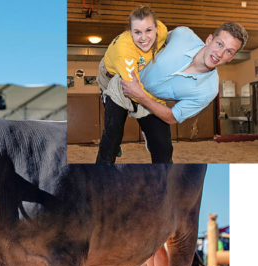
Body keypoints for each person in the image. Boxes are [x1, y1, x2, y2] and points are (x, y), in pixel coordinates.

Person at [116, 21, 248, 163]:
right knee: (110, 143)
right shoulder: (183, 35)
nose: (220, 53)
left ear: (232, 57)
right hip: (128, 81)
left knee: (164, 153)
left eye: (229, 51)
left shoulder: (209, 90)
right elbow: (150, 39)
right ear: (209, 40)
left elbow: (173, 117)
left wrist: (140, 96)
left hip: (150, 102)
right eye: (219, 44)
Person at [95, 5, 168, 163]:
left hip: (142, 72)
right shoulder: (125, 52)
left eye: (148, 30)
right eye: (137, 32)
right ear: (130, 31)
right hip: (112, 76)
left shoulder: (163, 30)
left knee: (162, 141)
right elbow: (135, 92)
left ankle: (149, 134)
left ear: (156, 28)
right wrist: (161, 105)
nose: (144, 38)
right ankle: (113, 148)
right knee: (112, 134)